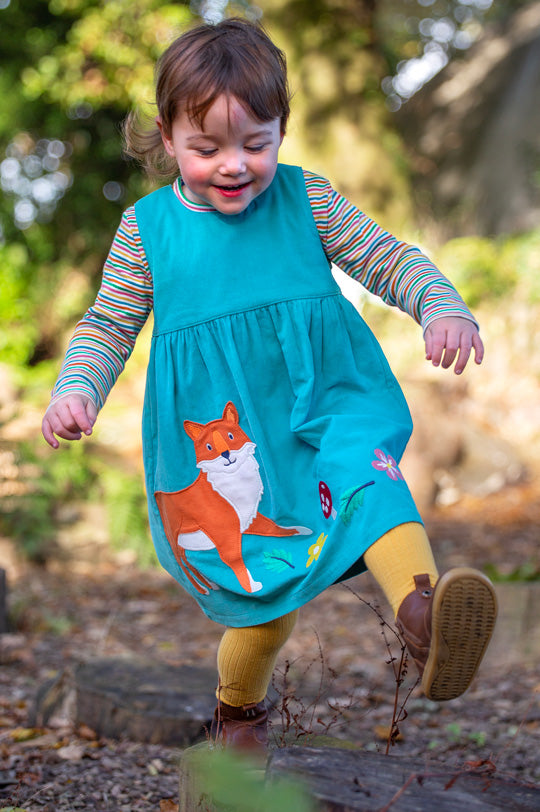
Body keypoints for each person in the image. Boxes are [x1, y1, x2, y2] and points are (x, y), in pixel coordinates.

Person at [42, 18, 497, 756]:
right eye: (207, 147)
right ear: (165, 135)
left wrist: (440, 304)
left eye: (257, 143)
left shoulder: (305, 199)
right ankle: (239, 721)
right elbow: (108, 325)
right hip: (232, 438)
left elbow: (386, 257)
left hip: (326, 397)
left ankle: (427, 621)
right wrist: (78, 390)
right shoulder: (147, 229)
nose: (234, 165)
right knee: (260, 604)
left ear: (283, 127)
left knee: (372, 481)